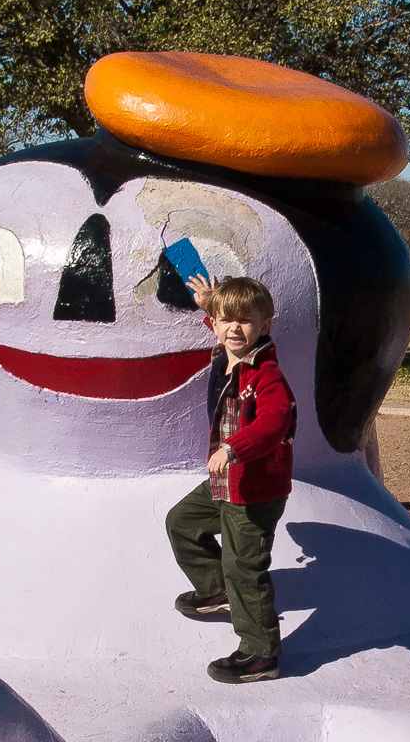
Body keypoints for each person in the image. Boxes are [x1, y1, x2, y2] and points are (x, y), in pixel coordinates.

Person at [166, 274, 297, 683]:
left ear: (265, 325)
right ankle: (216, 588)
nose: (233, 329)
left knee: (246, 568)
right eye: (225, 320)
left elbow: (277, 419)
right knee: (182, 521)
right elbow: (223, 328)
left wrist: (233, 448)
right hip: (226, 481)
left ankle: (261, 655)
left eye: (245, 321)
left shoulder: (266, 374)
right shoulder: (228, 354)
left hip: (254, 486)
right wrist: (209, 304)